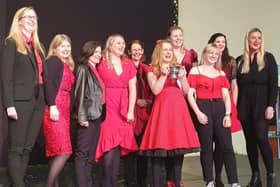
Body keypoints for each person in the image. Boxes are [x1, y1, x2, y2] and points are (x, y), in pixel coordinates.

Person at [139, 39, 200, 187]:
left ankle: (176, 183)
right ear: (159, 52)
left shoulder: (178, 67)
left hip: (178, 113)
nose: (168, 52)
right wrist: (164, 75)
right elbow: (156, 90)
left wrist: (183, 78)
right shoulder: (152, 69)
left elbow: (186, 91)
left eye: (170, 50)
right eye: (165, 50)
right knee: (159, 152)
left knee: (178, 152)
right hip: (162, 113)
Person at [0, 7, 46, 187]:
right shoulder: (11, 42)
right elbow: (6, 77)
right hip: (19, 101)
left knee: (27, 147)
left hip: (37, 102)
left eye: (34, 17)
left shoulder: (37, 46)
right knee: (16, 148)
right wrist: (8, 104)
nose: (32, 20)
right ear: (18, 20)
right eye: (28, 17)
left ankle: (17, 183)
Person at [187, 44, 241, 187]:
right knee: (206, 147)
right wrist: (198, 112)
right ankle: (209, 180)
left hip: (219, 107)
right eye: (210, 52)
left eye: (216, 54)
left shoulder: (220, 73)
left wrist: (228, 114)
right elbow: (190, 94)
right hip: (203, 107)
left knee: (227, 146)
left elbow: (226, 96)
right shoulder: (195, 70)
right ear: (205, 53)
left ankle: (234, 182)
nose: (213, 55)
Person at [94, 34, 138, 187]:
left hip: (124, 107)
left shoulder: (129, 64)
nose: (122, 45)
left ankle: (112, 183)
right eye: (118, 43)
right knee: (108, 147)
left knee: (118, 148)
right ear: (110, 45)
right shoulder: (102, 63)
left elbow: (133, 89)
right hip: (108, 107)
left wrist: (131, 110)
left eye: (123, 43)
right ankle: (107, 183)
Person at [236, 28, 278, 187]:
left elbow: (274, 84)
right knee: (250, 141)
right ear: (247, 40)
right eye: (253, 38)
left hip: (262, 106)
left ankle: (270, 174)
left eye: (259, 38)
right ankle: (255, 175)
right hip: (245, 106)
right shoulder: (240, 60)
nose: (256, 41)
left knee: (261, 137)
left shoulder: (268, 58)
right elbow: (236, 85)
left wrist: (270, 106)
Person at [207, 33, 242, 187]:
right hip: (209, 103)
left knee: (223, 143)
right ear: (211, 43)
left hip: (226, 103)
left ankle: (220, 177)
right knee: (211, 142)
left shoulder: (231, 62)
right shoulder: (208, 59)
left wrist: (231, 106)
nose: (221, 44)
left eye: (223, 42)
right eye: (217, 41)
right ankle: (211, 179)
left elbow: (234, 85)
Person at [166, 25, 198, 187]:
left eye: (180, 36)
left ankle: (177, 177)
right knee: (168, 138)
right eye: (175, 36)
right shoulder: (165, 53)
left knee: (180, 139)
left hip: (185, 97)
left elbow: (195, 73)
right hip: (169, 97)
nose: (178, 38)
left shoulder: (191, 54)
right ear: (169, 38)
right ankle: (169, 177)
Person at [42, 34, 75, 187]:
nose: (66, 49)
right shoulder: (54, 61)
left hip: (64, 109)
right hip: (54, 109)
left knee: (57, 152)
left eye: (68, 46)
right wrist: (52, 105)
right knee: (64, 151)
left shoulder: (66, 64)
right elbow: (48, 84)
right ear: (54, 49)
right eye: (62, 46)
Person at [73, 41, 105, 187]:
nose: (99, 54)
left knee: (90, 155)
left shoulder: (94, 69)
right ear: (88, 52)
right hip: (87, 117)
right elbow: (78, 94)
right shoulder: (83, 69)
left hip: (96, 116)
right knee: (82, 155)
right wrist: (81, 116)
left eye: (100, 52)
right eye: (96, 51)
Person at [123, 40, 153, 187]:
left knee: (143, 150)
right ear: (129, 51)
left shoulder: (147, 69)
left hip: (145, 113)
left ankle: (142, 182)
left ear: (142, 51)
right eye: (133, 50)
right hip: (129, 112)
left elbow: (154, 92)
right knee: (129, 150)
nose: (136, 52)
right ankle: (130, 181)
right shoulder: (124, 67)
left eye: (139, 49)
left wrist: (146, 102)